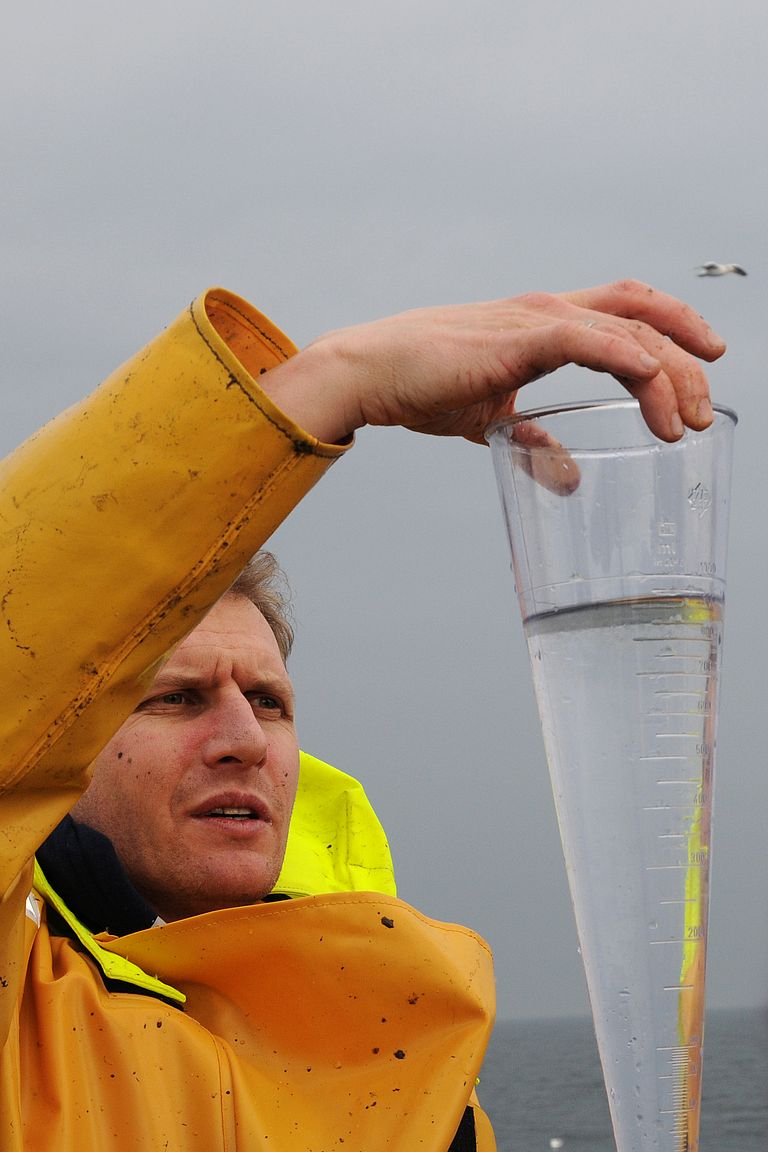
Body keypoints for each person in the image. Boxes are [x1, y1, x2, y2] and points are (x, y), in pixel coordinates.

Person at [0, 280, 724, 1151]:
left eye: (269, 702)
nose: (241, 742)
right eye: (176, 698)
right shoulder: (26, 1013)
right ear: (63, 740)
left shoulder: (396, 1037)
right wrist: (335, 379)